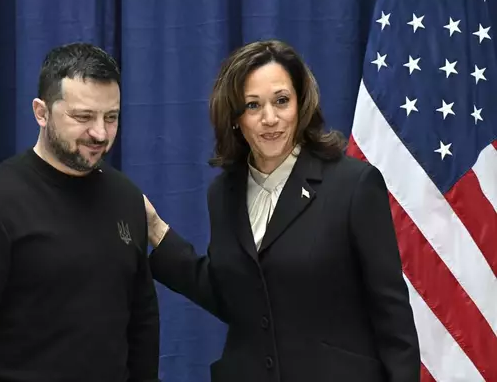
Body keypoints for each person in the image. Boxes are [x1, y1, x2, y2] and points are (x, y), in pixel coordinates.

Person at [143, 40, 420, 382]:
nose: (270, 118)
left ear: (300, 105)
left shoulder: (354, 185)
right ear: (235, 118)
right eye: (253, 105)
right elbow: (237, 300)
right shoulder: (223, 194)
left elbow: (392, 317)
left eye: (281, 101)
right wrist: (158, 232)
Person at [0, 43, 160, 382]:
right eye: (82, 117)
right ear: (41, 111)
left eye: (111, 118)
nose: (100, 133)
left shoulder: (126, 197)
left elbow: (142, 322)